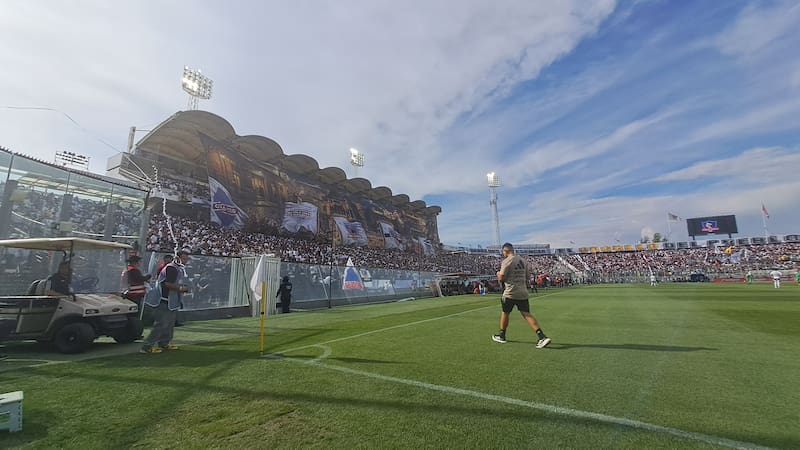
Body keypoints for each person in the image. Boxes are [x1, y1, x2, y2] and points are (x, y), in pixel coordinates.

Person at [492, 243, 551, 349]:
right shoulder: (524, 261)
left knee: (505, 313)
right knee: (527, 314)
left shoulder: (506, 261)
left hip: (510, 292)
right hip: (523, 292)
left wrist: (498, 274)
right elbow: (528, 277)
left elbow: (501, 278)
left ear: (505, 251)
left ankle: (502, 335)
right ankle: (541, 336)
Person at [141, 250, 190, 354]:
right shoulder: (172, 268)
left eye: (186, 259)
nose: (186, 261)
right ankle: (147, 346)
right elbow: (167, 284)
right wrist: (181, 289)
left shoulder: (177, 268)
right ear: (178, 258)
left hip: (171, 301)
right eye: (184, 258)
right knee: (161, 324)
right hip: (163, 299)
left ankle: (164, 343)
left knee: (169, 324)